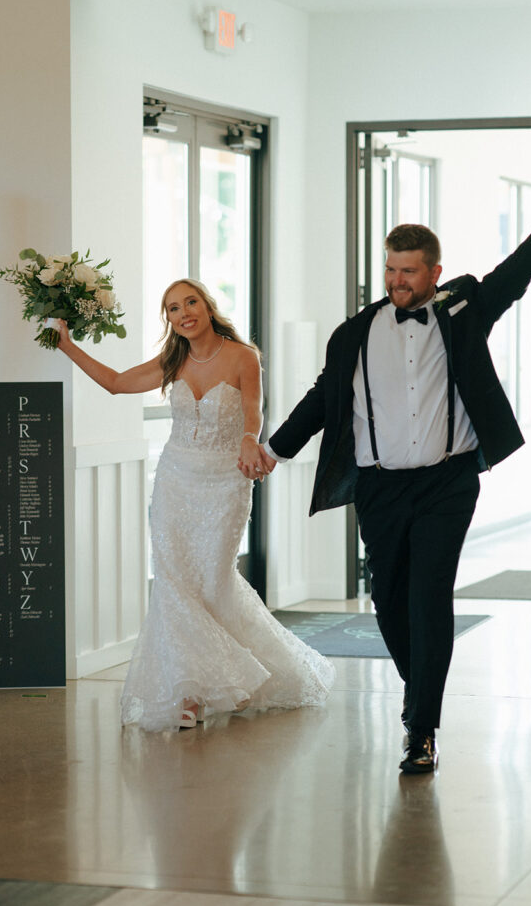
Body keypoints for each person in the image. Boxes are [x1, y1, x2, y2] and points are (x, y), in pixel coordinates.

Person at [243, 163, 531, 773]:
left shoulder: (463, 311)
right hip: (380, 486)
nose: (397, 280)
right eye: (390, 268)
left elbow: (520, 270)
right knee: (388, 598)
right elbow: (323, 398)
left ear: (434, 272)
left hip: (447, 482)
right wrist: (274, 449)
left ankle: (422, 728)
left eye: (409, 271)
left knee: (430, 593)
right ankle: (423, 690)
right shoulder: (353, 334)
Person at [52, 278, 335, 731]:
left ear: (206, 305)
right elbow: (116, 384)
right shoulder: (172, 360)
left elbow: (253, 410)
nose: (183, 312)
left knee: (213, 581)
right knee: (174, 584)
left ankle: (242, 674)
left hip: (226, 482)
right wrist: (67, 345)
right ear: (168, 319)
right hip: (175, 483)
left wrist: (249, 440)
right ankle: (191, 692)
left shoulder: (243, 357)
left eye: (190, 302)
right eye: (172, 308)